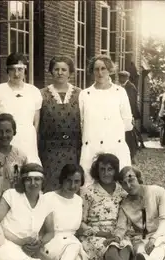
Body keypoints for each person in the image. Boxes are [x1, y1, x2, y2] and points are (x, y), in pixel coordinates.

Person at [80, 154, 147, 260]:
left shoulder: (122, 191)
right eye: (102, 169)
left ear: (115, 171)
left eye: (110, 169)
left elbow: (131, 214)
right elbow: (81, 223)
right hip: (96, 234)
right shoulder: (88, 192)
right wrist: (100, 233)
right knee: (110, 249)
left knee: (124, 246)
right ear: (96, 171)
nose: (106, 173)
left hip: (118, 232)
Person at [39, 164, 105, 260]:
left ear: (81, 183)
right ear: (62, 180)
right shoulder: (49, 197)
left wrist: (94, 231)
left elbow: (75, 226)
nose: (72, 185)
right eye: (69, 180)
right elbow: (45, 229)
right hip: (50, 242)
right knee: (73, 245)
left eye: (76, 181)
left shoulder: (78, 200)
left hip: (69, 243)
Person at [78, 55, 133, 185]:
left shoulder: (120, 92)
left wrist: (111, 134)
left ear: (110, 71)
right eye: (96, 69)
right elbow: (81, 122)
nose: (100, 72)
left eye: (103, 68)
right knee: (89, 185)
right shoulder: (85, 94)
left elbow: (127, 121)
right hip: (91, 147)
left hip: (115, 145)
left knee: (119, 185)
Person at [0, 52, 42, 164]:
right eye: (12, 69)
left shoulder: (34, 91)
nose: (16, 74)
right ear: (7, 70)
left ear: (25, 70)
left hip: (26, 141)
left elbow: (36, 122)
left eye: (20, 69)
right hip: (3, 140)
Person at [38, 56, 82, 192]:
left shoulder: (80, 94)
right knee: (51, 187)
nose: (60, 72)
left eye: (64, 69)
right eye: (56, 69)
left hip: (73, 150)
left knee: (71, 185)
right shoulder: (41, 94)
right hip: (49, 150)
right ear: (51, 72)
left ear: (70, 72)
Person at [118, 71, 145, 162]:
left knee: (130, 134)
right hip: (123, 114)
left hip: (129, 114)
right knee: (129, 133)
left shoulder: (130, 87)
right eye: (119, 77)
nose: (119, 79)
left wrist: (131, 115)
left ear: (126, 78)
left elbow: (131, 102)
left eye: (121, 77)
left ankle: (133, 153)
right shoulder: (122, 86)